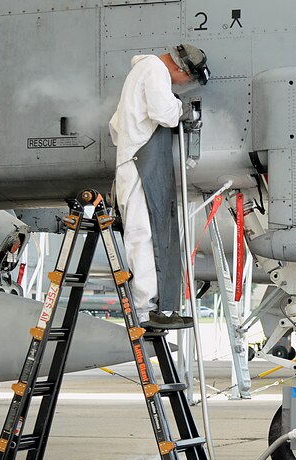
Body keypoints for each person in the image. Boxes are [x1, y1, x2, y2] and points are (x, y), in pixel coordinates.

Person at [108, 44, 209, 330]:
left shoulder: (142, 72)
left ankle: (155, 307)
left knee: (148, 233)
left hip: (135, 158)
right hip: (141, 162)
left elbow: (116, 127)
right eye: (184, 80)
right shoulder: (154, 69)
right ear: (179, 68)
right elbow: (164, 114)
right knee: (145, 234)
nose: (181, 84)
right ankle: (146, 309)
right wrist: (180, 106)